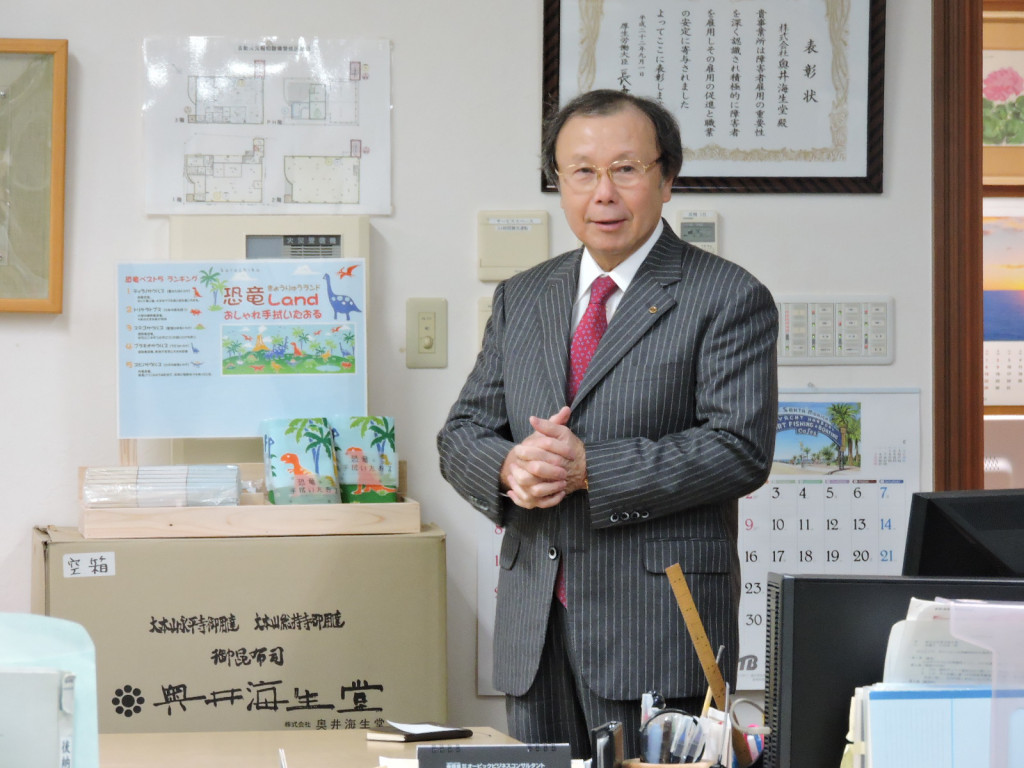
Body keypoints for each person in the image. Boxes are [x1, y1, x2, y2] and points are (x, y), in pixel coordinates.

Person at [437, 89, 778, 760]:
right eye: (582, 172)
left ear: (667, 178)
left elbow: (739, 447)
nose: (603, 193)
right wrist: (509, 467)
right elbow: (463, 431)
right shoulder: (524, 296)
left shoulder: (727, 296)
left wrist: (591, 468)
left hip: (658, 622)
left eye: (626, 169)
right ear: (558, 182)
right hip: (536, 625)